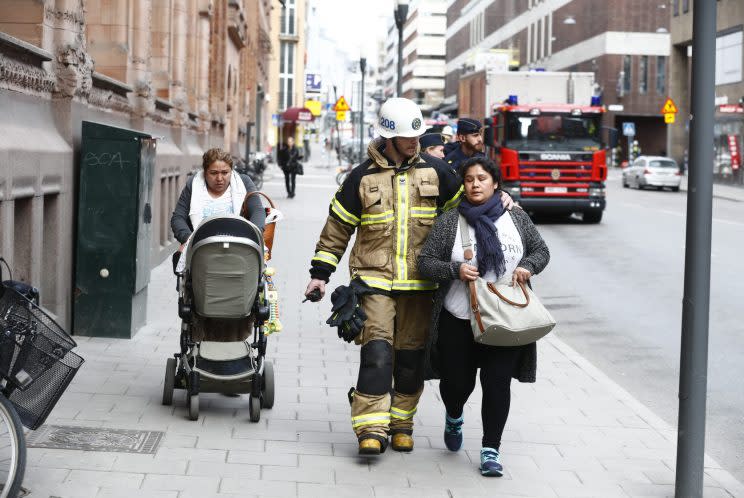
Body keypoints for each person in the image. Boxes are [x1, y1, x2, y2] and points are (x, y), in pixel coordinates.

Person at [304, 98, 515, 456]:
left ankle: (401, 422)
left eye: (417, 135)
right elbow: (337, 229)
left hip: (421, 285)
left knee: (410, 359)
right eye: (407, 136)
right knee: (377, 354)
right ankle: (371, 428)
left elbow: (470, 205)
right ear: (388, 135)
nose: (415, 141)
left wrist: (500, 199)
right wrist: (319, 274)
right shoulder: (362, 176)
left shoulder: (437, 172)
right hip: (374, 281)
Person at [417, 156, 550, 477]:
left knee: (496, 383)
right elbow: (425, 262)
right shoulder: (450, 220)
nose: (475, 184)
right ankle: (454, 413)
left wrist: (527, 267)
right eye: (469, 179)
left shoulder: (516, 217)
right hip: (458, 318)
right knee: (456, 384)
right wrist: (454, 269)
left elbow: (541, 251)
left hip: (503, 318)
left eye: (482, 178)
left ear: (495, 184)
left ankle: (491, 448)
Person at [170, 148, 265, 270]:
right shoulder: (193, 184)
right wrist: (189, 239)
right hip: (201, 245)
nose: (219, 178)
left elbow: (257, 210)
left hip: (238, 244)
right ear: (205, 172)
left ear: (231, 171)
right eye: (214, 173)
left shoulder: (243, 182)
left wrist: (251, 237)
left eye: (225, 173)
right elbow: (178, 217)